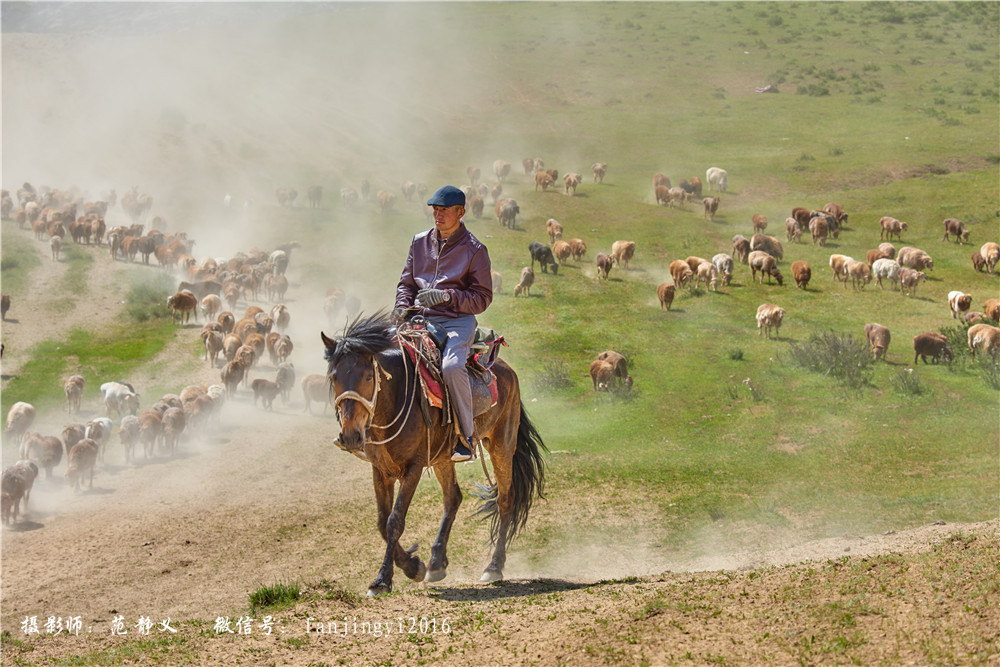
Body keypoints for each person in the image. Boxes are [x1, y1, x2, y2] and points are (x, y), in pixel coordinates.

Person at [394, 185, 493, 462]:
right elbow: (407, 283)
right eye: (435, 210)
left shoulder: (475, 250)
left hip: (456, 321)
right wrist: (401, 307)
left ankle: (465, 437)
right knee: (381, 351)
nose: (437, 215)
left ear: (461, 212)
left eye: (444, 210)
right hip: (417, 318)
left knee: (450, 367)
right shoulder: (419, 242)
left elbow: (482, 298)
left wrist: (447, 296)